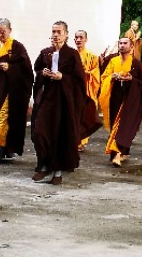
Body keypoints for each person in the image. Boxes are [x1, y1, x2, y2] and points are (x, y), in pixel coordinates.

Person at [31, 21, 100, 185]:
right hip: (48, 98)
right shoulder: (46, 52)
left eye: (59, 32)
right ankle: (44, 163)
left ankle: (57, 170)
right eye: (53, 31)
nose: (55, 35)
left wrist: (63, 77)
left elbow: (79, 80)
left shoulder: (72, 54)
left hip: (64, 101)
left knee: (60, 134)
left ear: (66, 34)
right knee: (39, 132)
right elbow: (37, 69)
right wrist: (42, 73)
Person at [0, 18, 33, 164]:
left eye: (2, 32)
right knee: (0, 118)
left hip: (12, 90)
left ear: (10, 30)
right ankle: (7, 150)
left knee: (2, 118)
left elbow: (26, 70)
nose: (0, 35)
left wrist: (10, 67)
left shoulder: (17, 47)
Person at [99, 36, 142, 166]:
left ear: (131, 47)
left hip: (130, 99)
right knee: (115, 125)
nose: (122, 45)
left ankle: (118, 153)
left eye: (125, 43)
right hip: (115, 98)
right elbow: (104, 77)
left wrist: (131, 79)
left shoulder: (136, 63)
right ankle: (120, 153)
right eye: (120, 43)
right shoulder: (113, 61)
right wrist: (112, 77)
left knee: (124, 126)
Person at [74, 29, 101, 152]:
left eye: (81, 37)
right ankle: (73, 140)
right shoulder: (71, 54)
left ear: (86, 39)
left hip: (86, 89)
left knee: (84, 115)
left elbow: (96, 73)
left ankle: (81, 141)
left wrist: (86, 73)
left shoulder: (92, 56)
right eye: (76, 37)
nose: (78, 40)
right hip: (73, 89)